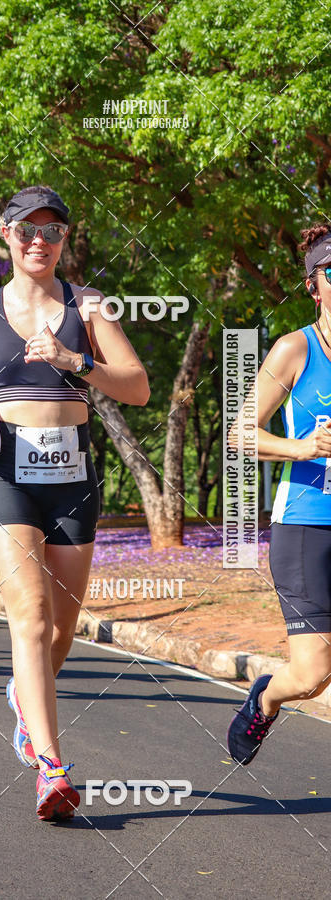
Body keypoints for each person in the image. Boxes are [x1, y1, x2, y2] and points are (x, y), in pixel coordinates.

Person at [0, 186, 149, 820]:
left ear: (64, 242)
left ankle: (26, 703)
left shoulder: (90, 305)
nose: (39, 240)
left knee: (59, 630)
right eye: (27, 229)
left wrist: (73, 358)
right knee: (26, 614)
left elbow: (136, 387)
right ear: (6, 235)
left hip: (73, 474)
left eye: (52, 232)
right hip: (4, 471)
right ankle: (52, 769)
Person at [228, 223, 331, 765]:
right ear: (314, 286)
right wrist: (304, 446)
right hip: (308, 525)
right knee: (313, 675)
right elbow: (240, 433)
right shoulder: (296, 349)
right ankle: (265, 697)